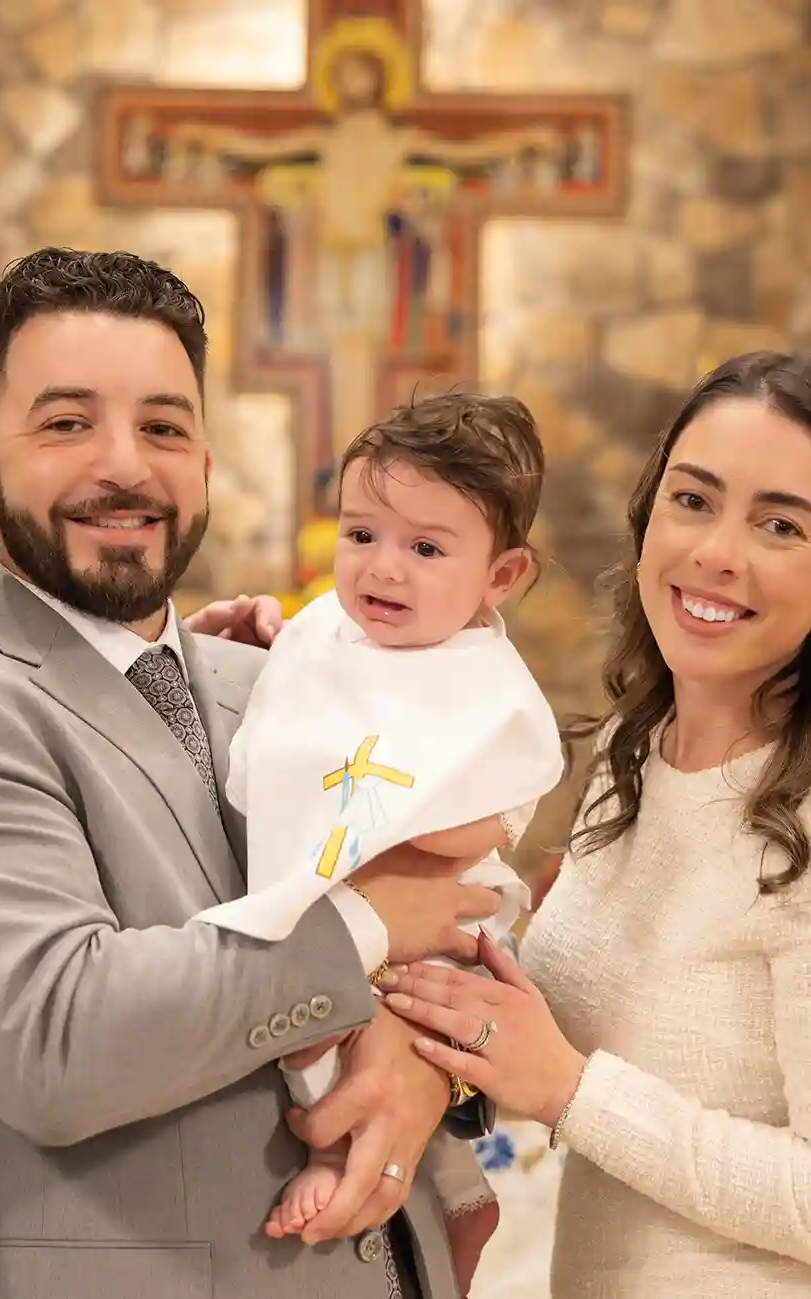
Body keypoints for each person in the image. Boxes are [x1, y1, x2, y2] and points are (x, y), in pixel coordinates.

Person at [0, 247, 504, 1299]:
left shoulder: (276, 679)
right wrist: (369, 923)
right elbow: (61, 1040)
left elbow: (460, 927)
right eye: (65, 423)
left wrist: (418, 1071)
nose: (126, 466)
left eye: (163, 427)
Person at [368, 351, 811, 1298]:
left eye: (780, 524)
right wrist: (297, 672)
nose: (715, 553)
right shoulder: (641, 749)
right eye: (693, 501)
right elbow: (545, 1032)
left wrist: (571, 1091)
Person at [192, 393, 566, 1288]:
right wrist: (263, 656)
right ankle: (453, 1188)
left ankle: (355, 1166)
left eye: (426, 548)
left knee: (373, 1033)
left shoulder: (484, 685)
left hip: (441, 917)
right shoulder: (328, 632)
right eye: (361, 535)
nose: (383, 571)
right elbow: (301, 717)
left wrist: (390, 831)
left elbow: (492, 808)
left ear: (502, 575)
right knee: (314, 1012)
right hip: (347, 899)